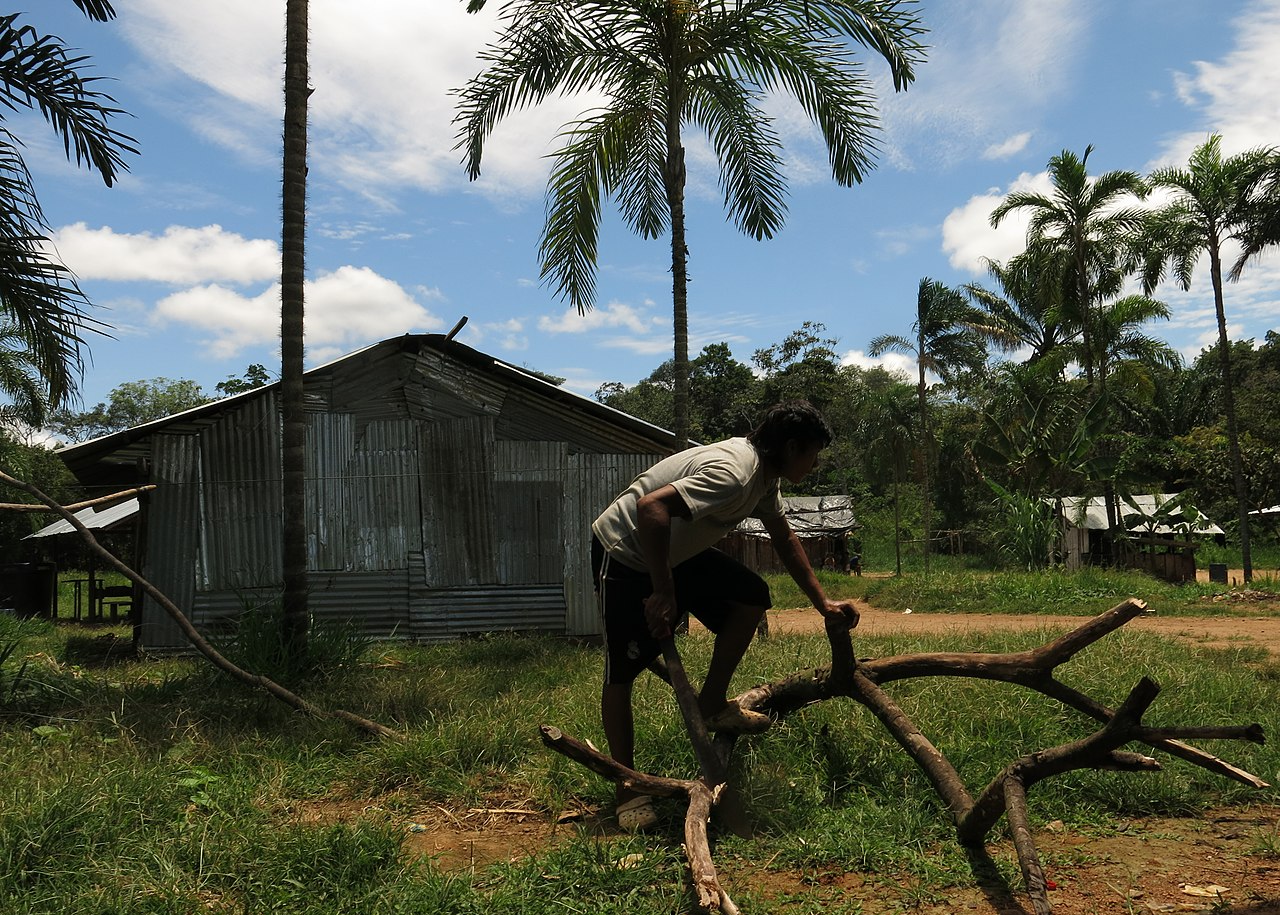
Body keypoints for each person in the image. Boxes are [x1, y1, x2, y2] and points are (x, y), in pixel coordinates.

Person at [590, 400, 859, 831]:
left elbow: (783, 536)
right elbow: (651, 508)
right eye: (813, 454)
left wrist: (822, 603)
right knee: (622, 671)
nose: (815, 465)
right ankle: (628, 788)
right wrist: (663, 591)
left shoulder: (765, 478)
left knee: (750, 596)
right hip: (627, 552)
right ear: (791, 447)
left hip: (677, 551)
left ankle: (712, 704)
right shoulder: (734, 473)